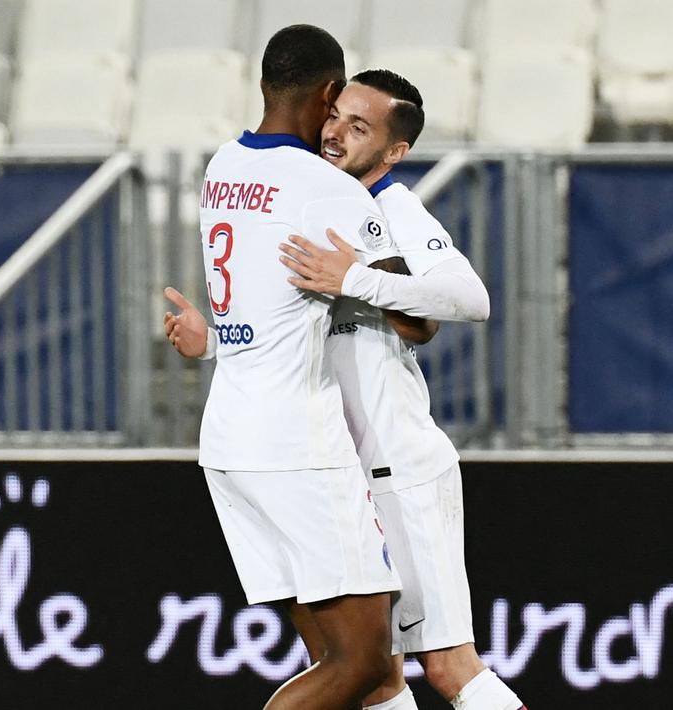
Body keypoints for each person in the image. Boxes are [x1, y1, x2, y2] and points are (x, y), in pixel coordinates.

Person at [167, 70, 527, 710]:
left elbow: (468, 299)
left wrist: (356, 277)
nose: (334, 132)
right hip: (333, 467)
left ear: (394, 151)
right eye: (335, 115)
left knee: (450, 669)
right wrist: (214, 342)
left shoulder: (394, 206)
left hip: (399, 467)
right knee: (373, 678)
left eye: (359, 127)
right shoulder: (311, 199)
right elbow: (304, 332)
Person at [182, 25, 411, 709]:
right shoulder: (324, 186)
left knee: (354, 673)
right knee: (362, 659)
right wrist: (358, 275)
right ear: (329, 93)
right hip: (296, 442)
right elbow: (415, 316)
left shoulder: (223, 165)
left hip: (230, 435)